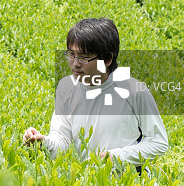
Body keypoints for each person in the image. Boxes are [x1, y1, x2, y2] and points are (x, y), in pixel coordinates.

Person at [23, 18, 168, 169]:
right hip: (91, 184)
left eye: (84, 57)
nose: (75, 63)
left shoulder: (134, 91)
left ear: (107, 59)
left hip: (131, 184)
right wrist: (43, 143)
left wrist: (118, 157)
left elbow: (158, 142)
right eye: (71, 54)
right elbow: (62, 139)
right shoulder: (66, 88)